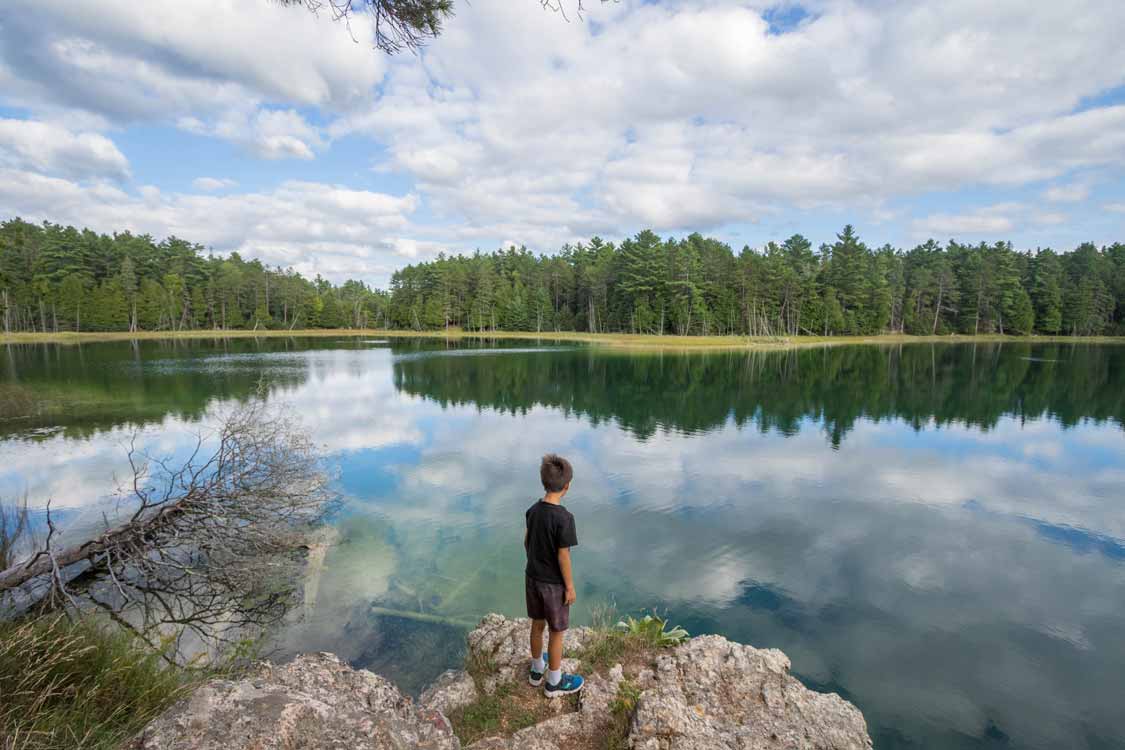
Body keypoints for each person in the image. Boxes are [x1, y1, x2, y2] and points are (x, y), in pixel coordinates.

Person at [524, 454, 584, 697]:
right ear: (567, 486)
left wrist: (534, 561)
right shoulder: (564, 519)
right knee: (557, 632)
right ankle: (554, 682)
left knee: (537, 626)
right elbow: (563, 557)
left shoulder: (533, 511)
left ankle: (537, 670)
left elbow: (527, 541)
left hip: (532, 578)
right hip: (553, 585)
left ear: (543, 482)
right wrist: (569, 587)